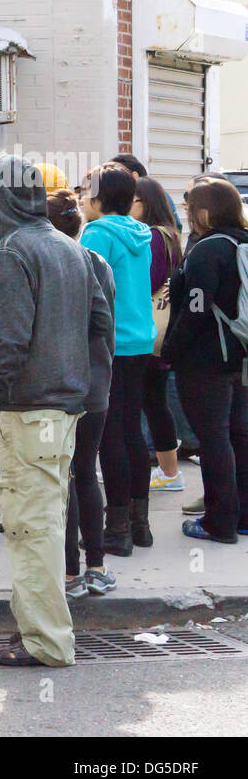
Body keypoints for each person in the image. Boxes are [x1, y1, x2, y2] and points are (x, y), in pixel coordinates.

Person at [0, 155, 110, 667]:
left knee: (32, 529)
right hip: (66, 408)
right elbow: (99, 326)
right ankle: (37, 627)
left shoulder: (11, 252)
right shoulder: (72, 248)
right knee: (43, 521)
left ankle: (45, 642)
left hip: (30, 410)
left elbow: (8, 342)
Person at [163, 178, 248, 543]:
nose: (187, 213)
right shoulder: (242, 242)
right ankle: (241, 517)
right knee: (237, 437)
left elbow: (196, 309)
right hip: (240, 357)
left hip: (206, 362)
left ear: (204, 211)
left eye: (189, 207)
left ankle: (219, 522)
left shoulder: (207, 250)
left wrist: (170, 351)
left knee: (214, 440)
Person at [79, 164, 155, 555]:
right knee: (132, 431)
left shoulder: (96, 234)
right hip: (141, 342)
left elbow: (87, 293)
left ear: (98, 198)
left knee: (110, 437)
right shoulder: (142, 233)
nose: (79, 197)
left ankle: (118, 529)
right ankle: (140, 525)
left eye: (84, 190)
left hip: (112, 345)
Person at [46, 189, 117, 598]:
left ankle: (71, 572)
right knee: (86, 471)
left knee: (65, 475)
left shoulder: (48, 262)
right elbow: (106, 325)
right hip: (95, 382)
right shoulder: (97, 263)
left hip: (60, 384)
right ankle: (96, 566)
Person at [130, 177, 184, 497]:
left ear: (147, 204)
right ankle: (169, 472)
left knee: (143, 403)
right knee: (154, 403)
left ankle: (164, 471)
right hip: (161, 335)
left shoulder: (151, 237)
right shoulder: (171, 235)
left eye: (134, 202)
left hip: (148, 333)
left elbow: (148, 282)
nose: (128, 207)